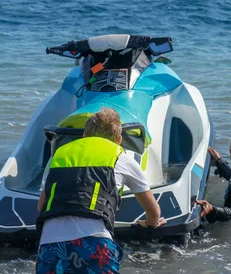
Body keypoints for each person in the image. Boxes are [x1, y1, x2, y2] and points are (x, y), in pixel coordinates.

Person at [36, 108, 166, 274]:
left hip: (50, 242)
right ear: (118, 140)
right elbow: (153, 211)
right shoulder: (120, 156)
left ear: (84, 135)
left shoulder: (59, 155)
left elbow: (41, 206)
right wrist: (150, 223)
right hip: (95, 240)